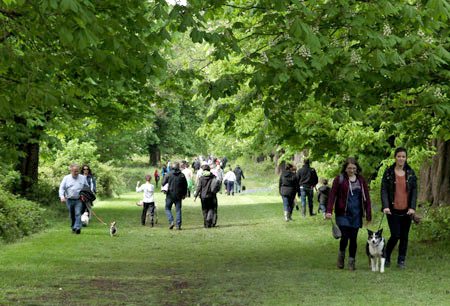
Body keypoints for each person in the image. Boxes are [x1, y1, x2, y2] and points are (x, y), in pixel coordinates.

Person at [326, 157, 372, 270]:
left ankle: (351, 261)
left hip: (356, 214)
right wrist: (329, 211)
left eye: (353, 168)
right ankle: (341, 257)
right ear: (345, 168)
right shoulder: (339, 179)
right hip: (343, 213)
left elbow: (367, 198)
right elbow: (332, 195)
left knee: (353, 238)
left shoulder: (361, 180)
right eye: (349, 168)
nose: (351, 170)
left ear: (357, 169)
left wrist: (368, 213)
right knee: (345, 237)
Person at [381, 148, 417, 269]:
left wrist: (412, 207)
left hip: (407, 210)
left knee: (404, 236)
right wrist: (386, 206)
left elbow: (414, 191)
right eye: (399, 156)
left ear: (406, 158)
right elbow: (384, 190)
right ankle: (386, 255)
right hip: (392, 209)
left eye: (403, 157)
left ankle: (401, 260)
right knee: (395, 234)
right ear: (395, 158)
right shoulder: (389, 172)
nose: (401, 159)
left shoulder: (410, 173)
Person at [59, 164, 89, 234]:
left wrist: (86, 195)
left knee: (78, 213)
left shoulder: (82, 178)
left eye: (77, 171)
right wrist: (62, 196)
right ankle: (73, 227)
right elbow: (61, 188)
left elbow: (87, 187)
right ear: (71, 171)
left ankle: (78, 228)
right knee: (72, 215)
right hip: (69, 199)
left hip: (79, 199)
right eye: (74, 171)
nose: (76, 173)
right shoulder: (66, 178)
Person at [161, 162, 188, 230]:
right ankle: (178, 225)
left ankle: (171, 221)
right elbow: (185, 186)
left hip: (170, 194)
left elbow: (163, 183)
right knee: (178, 210)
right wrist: (184, 194)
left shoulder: (169, 174)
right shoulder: (182, 175)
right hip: (179, 195)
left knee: (167, 208)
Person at [194, 164, 218, 228]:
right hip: (211, 195)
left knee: (204, 210)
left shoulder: (201, 178)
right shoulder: (213, 177)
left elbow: (199, 187)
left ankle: (206, 224)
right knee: (211, 209)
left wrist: (195, 196)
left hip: (203, 196)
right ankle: (209, 220)